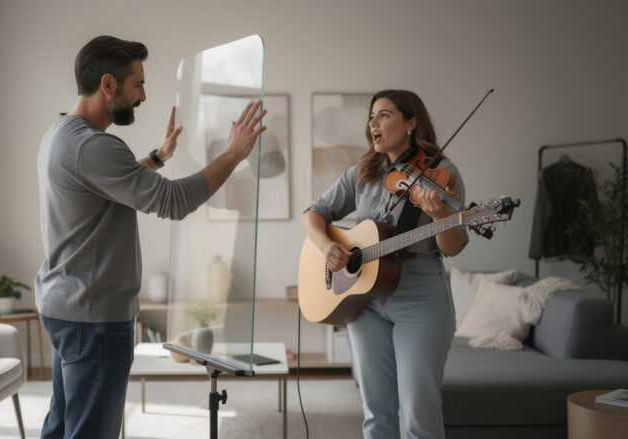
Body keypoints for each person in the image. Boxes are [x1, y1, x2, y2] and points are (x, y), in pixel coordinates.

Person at [35, 35, 266, 439]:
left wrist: (158, 157)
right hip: (95, 318)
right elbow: (174, 202)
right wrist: (234, 154)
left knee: (62, 425)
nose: (142, 95)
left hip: (65, 306)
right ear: (108, 84)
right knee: (90, 431)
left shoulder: (62, 133)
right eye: (137, 84)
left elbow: (109, 185)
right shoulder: (94, 145)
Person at [303, 89, 467, 439]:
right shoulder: (363, 172)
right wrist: (327, 244)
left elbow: (453, 247)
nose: (373, 123)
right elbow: (314, 213)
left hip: (419, 294)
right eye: (371, 116)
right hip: (364, 297)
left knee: (418, 412)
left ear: (411, 123)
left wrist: (439, 213)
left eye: (384, 115)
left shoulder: (442, 172)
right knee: (376, 411)